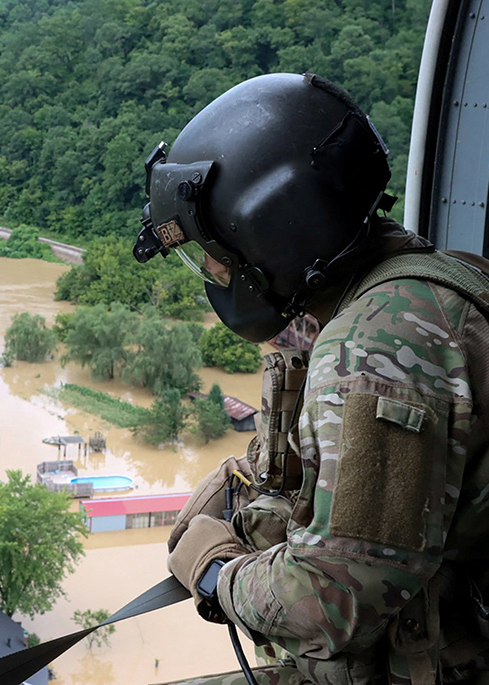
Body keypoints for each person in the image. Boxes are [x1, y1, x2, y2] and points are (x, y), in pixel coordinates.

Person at [134, 73, 489, 684]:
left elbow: (333, 600)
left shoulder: (373, 348)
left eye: (212, 254)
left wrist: (219, 575)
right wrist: (245, 482)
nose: (213, 272)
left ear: (274, 231)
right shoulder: (429, 283)